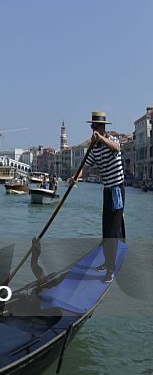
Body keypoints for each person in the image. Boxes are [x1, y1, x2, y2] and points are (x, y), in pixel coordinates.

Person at [73, 111, 125, 278]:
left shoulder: (114, 140)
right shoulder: (94, 150)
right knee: (105, 230)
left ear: (102, 128)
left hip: (117, 189)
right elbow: (84, 167)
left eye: (96, 126)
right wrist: (75, 178)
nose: (93, 129)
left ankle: (111, 269)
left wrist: (100, 138)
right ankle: (107, 262)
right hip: (107, 191)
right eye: (92, 126)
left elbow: (116, 148)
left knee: (112, 231)